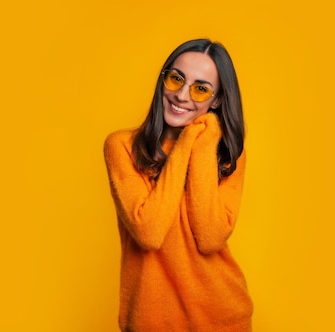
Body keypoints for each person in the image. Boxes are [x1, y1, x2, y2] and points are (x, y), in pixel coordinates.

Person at [103, 39, 253, 331]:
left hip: (223, 317)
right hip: (152, 321)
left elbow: (210, 238)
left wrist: (204, 144)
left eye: (200, 88)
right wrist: (185, 146)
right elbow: (149, 231)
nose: (182, 95)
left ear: (218, 99)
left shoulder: (228, 155)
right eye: (176, 79)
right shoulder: (122, 147)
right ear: (164, 79)